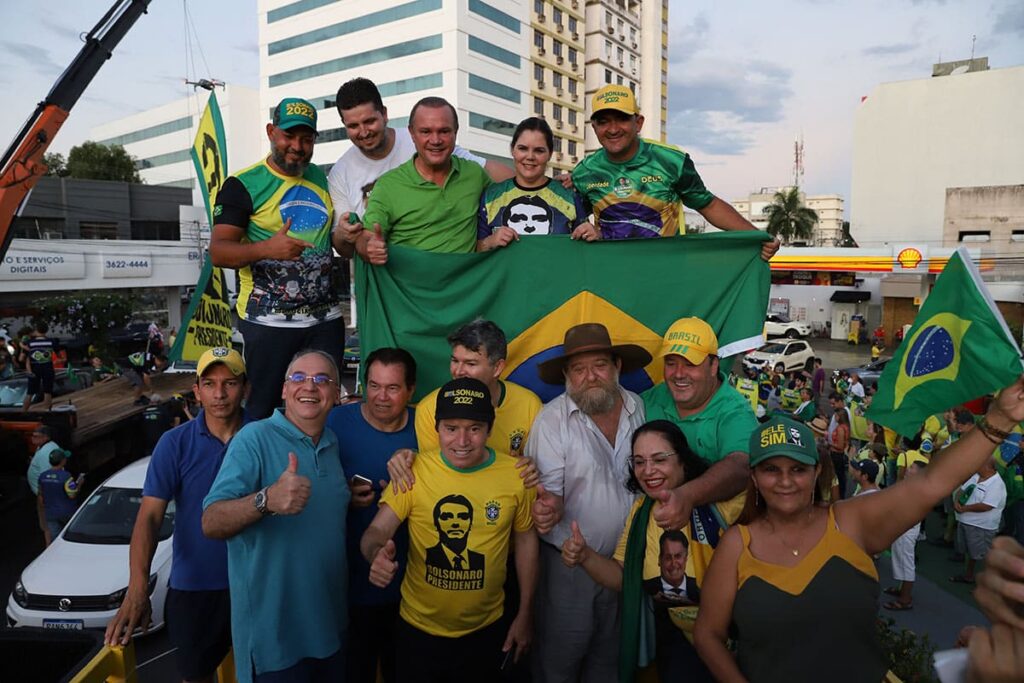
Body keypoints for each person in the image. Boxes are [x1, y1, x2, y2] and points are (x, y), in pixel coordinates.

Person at [693, 384, 1024, 683]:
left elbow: (929, 484)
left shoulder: (849, 523)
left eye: (797, 469)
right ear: (753, 477)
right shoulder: (737, 544)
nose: (785, 481)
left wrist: (1000, 418)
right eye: (770, 469)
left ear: (817, 471)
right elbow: (708, 633)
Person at [361, 377, 538, 682]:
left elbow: (526, 542)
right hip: (418, 633)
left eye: (474, 428)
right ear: (436, 429)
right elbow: (375, 533)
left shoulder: (517, 475)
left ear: (490, 430)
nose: (462, 441)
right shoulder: (413, 472)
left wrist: (525, 613)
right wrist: (376, 554)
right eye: (451, 428)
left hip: (488, 630)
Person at [202, 350, 349, 683]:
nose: (309, 387)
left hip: (330, 632)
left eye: (322, 379)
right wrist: (266, 500)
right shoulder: (253, 439)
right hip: (275, 646)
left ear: (336, 394)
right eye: (298, 377)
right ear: (284, 390)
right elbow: (210, 520)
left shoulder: (332, 442)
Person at [104, 347, 249, 682]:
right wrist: (137, 589)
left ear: (245, 388)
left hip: (256, 585)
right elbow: (150, 517)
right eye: (210, 384)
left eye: (229, 383)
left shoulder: (264, 436)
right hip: (195, 588)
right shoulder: (175, 443)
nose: (220, 394)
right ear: (196, 391)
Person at [525, 322, 650, 683]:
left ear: (617, 367)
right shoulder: (551, 421)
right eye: (578, 369)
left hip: (628, 563)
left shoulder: (638, 408)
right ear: (566, 375)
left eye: (598, 365)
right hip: (570, 566)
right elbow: (550, 497)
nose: (589, 377)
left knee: (610, 661)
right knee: (560, 661)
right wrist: (548, 509)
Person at [209, 97, 345, 419]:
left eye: (307, 138)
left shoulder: (323, 178)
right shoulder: (243, 184)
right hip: (269, 322)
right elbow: (218, 252)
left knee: (324, 407)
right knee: (262, 412)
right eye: (289, 136)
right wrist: (266, 249)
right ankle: (261, 469)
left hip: (325, 321)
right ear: (271, 132)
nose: (297, 146)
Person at [560, 420, 726, 681]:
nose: (648, 471)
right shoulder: (641, 513)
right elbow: (622, 576)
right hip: (673, 638)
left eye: (659, 459)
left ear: (683, 461)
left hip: (729, 637)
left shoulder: (720, 504)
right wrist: (585, 556)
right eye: (639, 462)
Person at [570, 85, 779, 261]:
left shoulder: (671, 161)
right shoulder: (583, 172)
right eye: (603, 121)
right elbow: (570, 221)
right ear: (594, 127)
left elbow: (708, 204)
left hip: (665, 273)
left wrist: (756, 235)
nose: (613, 129)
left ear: (638, 123)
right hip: (612, 274)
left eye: (622, 119)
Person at [328, 77, 511, 259]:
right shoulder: (341, 174)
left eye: (369, 121)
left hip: (463, 276)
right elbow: (349, 247)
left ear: (384, 114)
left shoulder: (436, 145)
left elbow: (496, 175)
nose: (364, 131)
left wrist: (535, 181)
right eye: (353, 126)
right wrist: (351, 239)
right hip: (398, 274)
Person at [325, 347, 418, 683]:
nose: (381, 397)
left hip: (411, 590)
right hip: (349, 587)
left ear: (411, 390)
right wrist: (342, 496)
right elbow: (308, 485)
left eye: (392, 388)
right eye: (374, 385)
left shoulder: (429, 427)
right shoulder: (335, 422)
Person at [641, 317, 759, 531]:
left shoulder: (735, 411)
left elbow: (741, 465)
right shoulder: (648, 400)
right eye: (670, 363)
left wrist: (687, 496)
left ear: (714, 365)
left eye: (690, 364)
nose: (678, 374)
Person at [355, 96, 492, 261]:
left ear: (456, 131)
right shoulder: (387, 186)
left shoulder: (474, 174)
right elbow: (366, 237)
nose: (435, 140)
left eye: (444, 131)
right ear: (412, 133)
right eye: (426, 131)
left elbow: (512, 191)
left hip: (466, 284)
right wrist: (369, 247)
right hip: (409, 285)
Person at [412, 319, 542, 460]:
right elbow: (438, 470)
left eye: (470, 363)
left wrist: (529, 466)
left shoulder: (529, 405)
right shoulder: (428, 408)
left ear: (497, 367)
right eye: (455, 361)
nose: (458, 371)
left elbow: (531, 466)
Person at [476, 117, 597, 251]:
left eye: (539, 150)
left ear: (550, 154)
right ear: (512, 150)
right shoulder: (490, 196)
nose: (530, 156)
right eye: (523, 148)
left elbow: (585, 248)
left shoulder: (569, 196)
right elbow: (473, 250)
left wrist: (592, 234)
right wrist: (490, 241)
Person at [951, 456, 1008, 585]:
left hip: (981, 526)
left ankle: (987, 584)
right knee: (970, 553)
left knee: (983, 556)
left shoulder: (997, 484)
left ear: (987, 467)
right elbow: (962, 489)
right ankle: (969, 575)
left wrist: (964, 508)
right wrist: (956, 501)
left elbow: (987, 505)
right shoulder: (976, 476)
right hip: (967, 521)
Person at [882, 460, 926, 611]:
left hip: (907, 528)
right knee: (900, 559)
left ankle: (905, 599)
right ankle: (901, 589)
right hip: (901, 526)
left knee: (906, 562)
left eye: (912, 468)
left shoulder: (918, 490)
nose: (908, 469)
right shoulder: (909, 485)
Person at [27, 425, 65, 545]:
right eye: (32, 435)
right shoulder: (45, 447)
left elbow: (48, 477)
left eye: (36, 436)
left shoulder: (46, 452)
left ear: (46, 437)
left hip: (46, 496)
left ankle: (53, 548)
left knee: (50, 525)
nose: (33, 438)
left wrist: (43, 497)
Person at [37, 448, 82, 545]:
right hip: (67, 512)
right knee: (71, 538)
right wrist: (80, 484)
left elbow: (40, 495)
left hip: (50, 513)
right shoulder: (66, 476)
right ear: (63, 461)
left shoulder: (42, 476)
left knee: (55, 541)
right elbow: (72, 494)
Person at [21, 321, 55, 413]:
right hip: (48, 368)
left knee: (30, 393)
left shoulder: (30, 343)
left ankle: (23, 413)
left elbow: (21, 358)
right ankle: (47, 412)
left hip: (34, 369)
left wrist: (23, 348)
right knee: (47, 392)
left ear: (36, 330)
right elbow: (59, 355)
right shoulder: (51, 342)